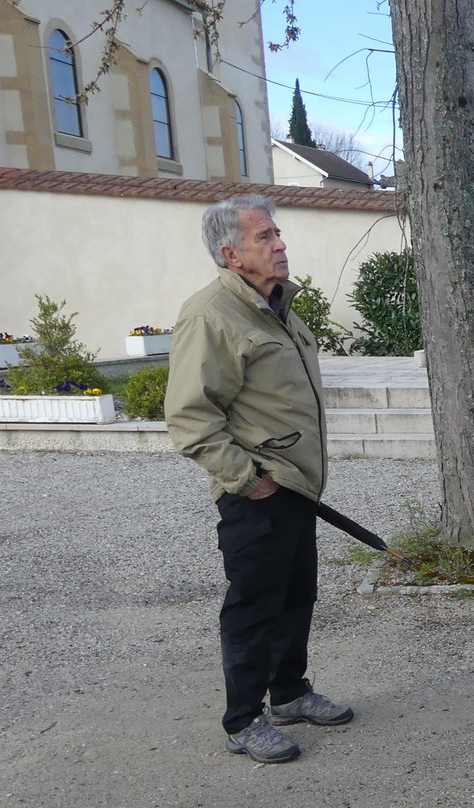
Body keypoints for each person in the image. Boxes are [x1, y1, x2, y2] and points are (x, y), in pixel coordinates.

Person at [165, 194, 352, 765]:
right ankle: (243, 720)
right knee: (254, 606)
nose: (280, 244)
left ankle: (289, 695)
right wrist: (250, 480)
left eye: (277, 233)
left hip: (296, 485)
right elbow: (191, 418)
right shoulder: (211, 316)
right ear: (231, 253)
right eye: (265, 237)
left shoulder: (276, 307)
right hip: (258, 491)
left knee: (296, 596)